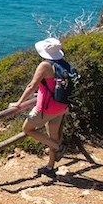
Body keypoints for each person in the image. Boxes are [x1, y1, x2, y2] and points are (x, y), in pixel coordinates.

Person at [10, 37, 69, 177]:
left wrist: (18, 103)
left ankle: (59, 148)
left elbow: (31, 86)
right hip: (61, 105)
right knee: (53, 136)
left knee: (27, 129)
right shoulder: (62, 63)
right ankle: (50, 167)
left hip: (46, 107)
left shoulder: (45, 65)